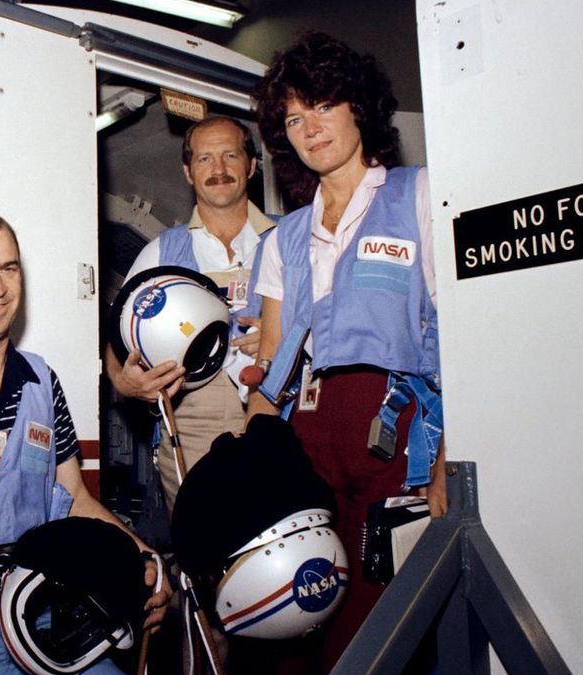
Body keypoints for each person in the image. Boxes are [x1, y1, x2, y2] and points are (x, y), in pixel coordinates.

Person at [247, 32, 447, 670]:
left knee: (382, 609)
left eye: (323, 106)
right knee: (299, 606)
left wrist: (449, 460)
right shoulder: (284, 237)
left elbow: (458, 338)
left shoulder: (418, 197)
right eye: (294, 118)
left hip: (396, 432)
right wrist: (250, 455)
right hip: (307, 433)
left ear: (358, 106)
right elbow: (275, 355)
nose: (311, 128)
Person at [0, 208, 169, 674]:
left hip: (44, 618)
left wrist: (141, 556)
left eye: (8, 267)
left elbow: (74, 499)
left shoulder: (42, 381)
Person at [105, 115, 276, 508]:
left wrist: (286, 336)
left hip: (285, 411)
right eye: (204, 159)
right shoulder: (162, 251)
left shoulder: (292, 238)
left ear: (251, 165)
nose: (219, 170)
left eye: (231, 155)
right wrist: (126, 382)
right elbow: (116, 339)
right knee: (209, 553)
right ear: (187, 171)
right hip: (197, 420)